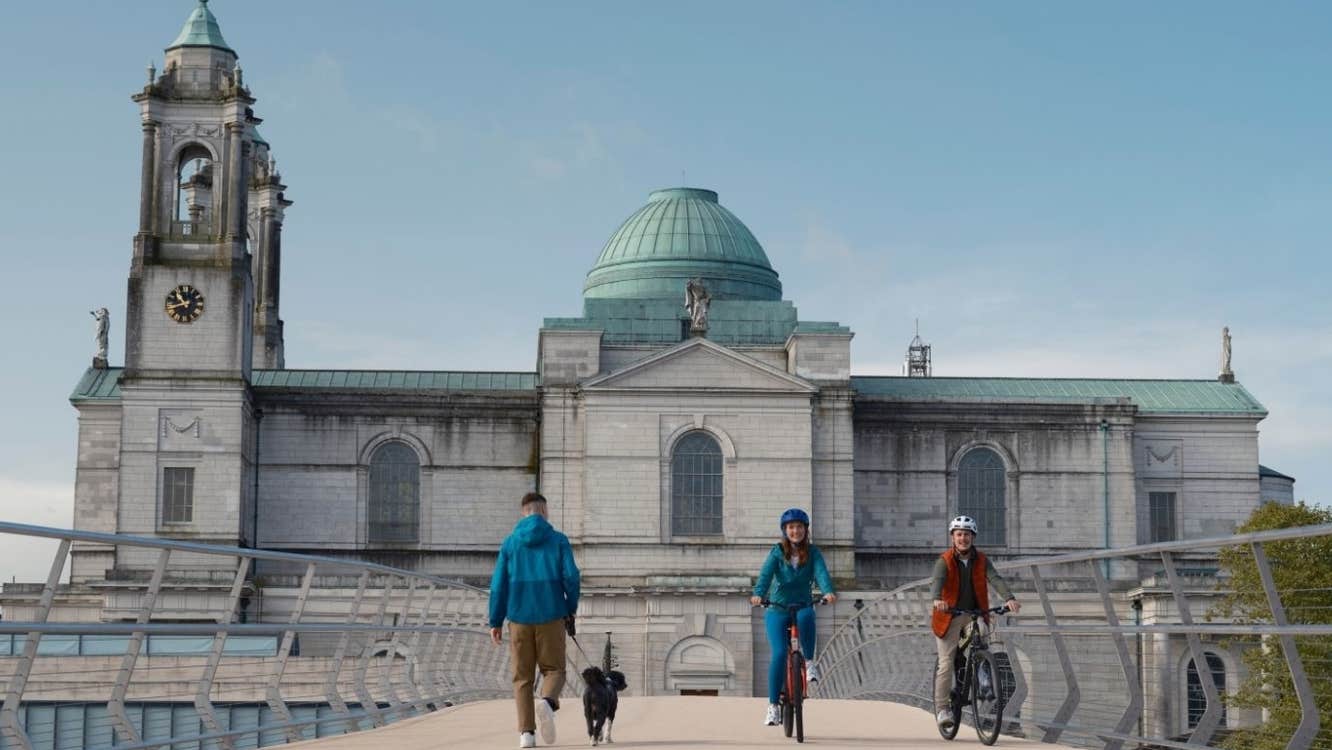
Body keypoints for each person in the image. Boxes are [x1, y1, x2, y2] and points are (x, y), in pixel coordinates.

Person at [489, 492, 581, 749]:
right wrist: (570, 607)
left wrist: (495, 620)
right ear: (544, 511)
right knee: (555, 670)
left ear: (524, 512)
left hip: (518, 618)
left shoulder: (510, 543)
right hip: (552, 615)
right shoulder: (559, 540)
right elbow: (572, 577)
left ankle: (527, 735)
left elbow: (498, 585)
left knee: (522, 678)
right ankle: (548, 702)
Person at [930, 515, 1021, 728]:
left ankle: (983, 680)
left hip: (973, 613)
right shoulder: (944, 561)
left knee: (981, 635)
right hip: (949, 616)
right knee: (946, 663)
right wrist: (937, 599)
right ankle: (942, 709)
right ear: (953, 537)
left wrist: (1009, 598)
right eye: (959, 534)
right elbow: (937, 582)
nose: (963, 538)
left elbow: (995, 578)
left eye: (967, 535)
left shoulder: (981, 560)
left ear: (973, 537)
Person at [750, 507, 837, 727]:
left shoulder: (813, 553)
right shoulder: (777, 552)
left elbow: (821, 573)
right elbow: (765, 575)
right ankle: (773, 706)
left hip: (802, 605)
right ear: (785, 530)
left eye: (799, 527)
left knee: (807, 616)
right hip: (777, 608)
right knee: (779, 653)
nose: (795, 531)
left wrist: (828, 591)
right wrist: (758, 594)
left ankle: (809, 662)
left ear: (805, 530)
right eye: (791, 527)